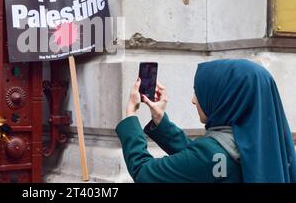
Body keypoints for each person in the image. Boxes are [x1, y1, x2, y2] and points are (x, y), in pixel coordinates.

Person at [116, 59, 296, 182]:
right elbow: (202, 165)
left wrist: (131, 117)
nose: (194, 100)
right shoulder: (265, 146)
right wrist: (160, 121)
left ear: (225, 97)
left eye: (199, 92)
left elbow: (143, 173)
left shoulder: (214, 154)